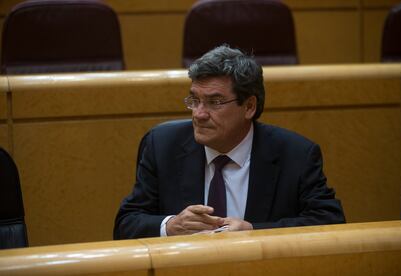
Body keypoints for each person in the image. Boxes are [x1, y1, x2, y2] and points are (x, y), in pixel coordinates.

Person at [113, 45, 345, 239]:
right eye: (195, 100)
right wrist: (170, 225)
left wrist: (254, 231)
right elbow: (126, 224)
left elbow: (330, 222)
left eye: (215, 102)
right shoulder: (162, 145)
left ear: (249, 106)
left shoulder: (296, 154)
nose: (199, 114)